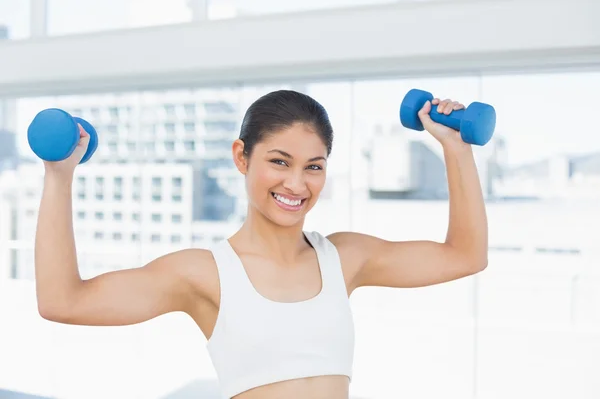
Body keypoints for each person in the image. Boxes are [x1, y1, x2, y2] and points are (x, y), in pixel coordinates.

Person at [34, 89, 488, 399]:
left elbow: (465, 255)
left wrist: (455, 147)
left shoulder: (346, 258)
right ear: (241, 157)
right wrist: (60, 175)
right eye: (279, 161)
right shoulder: (203, 273)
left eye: (314, 166)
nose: (296, 183)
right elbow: (63, 301)